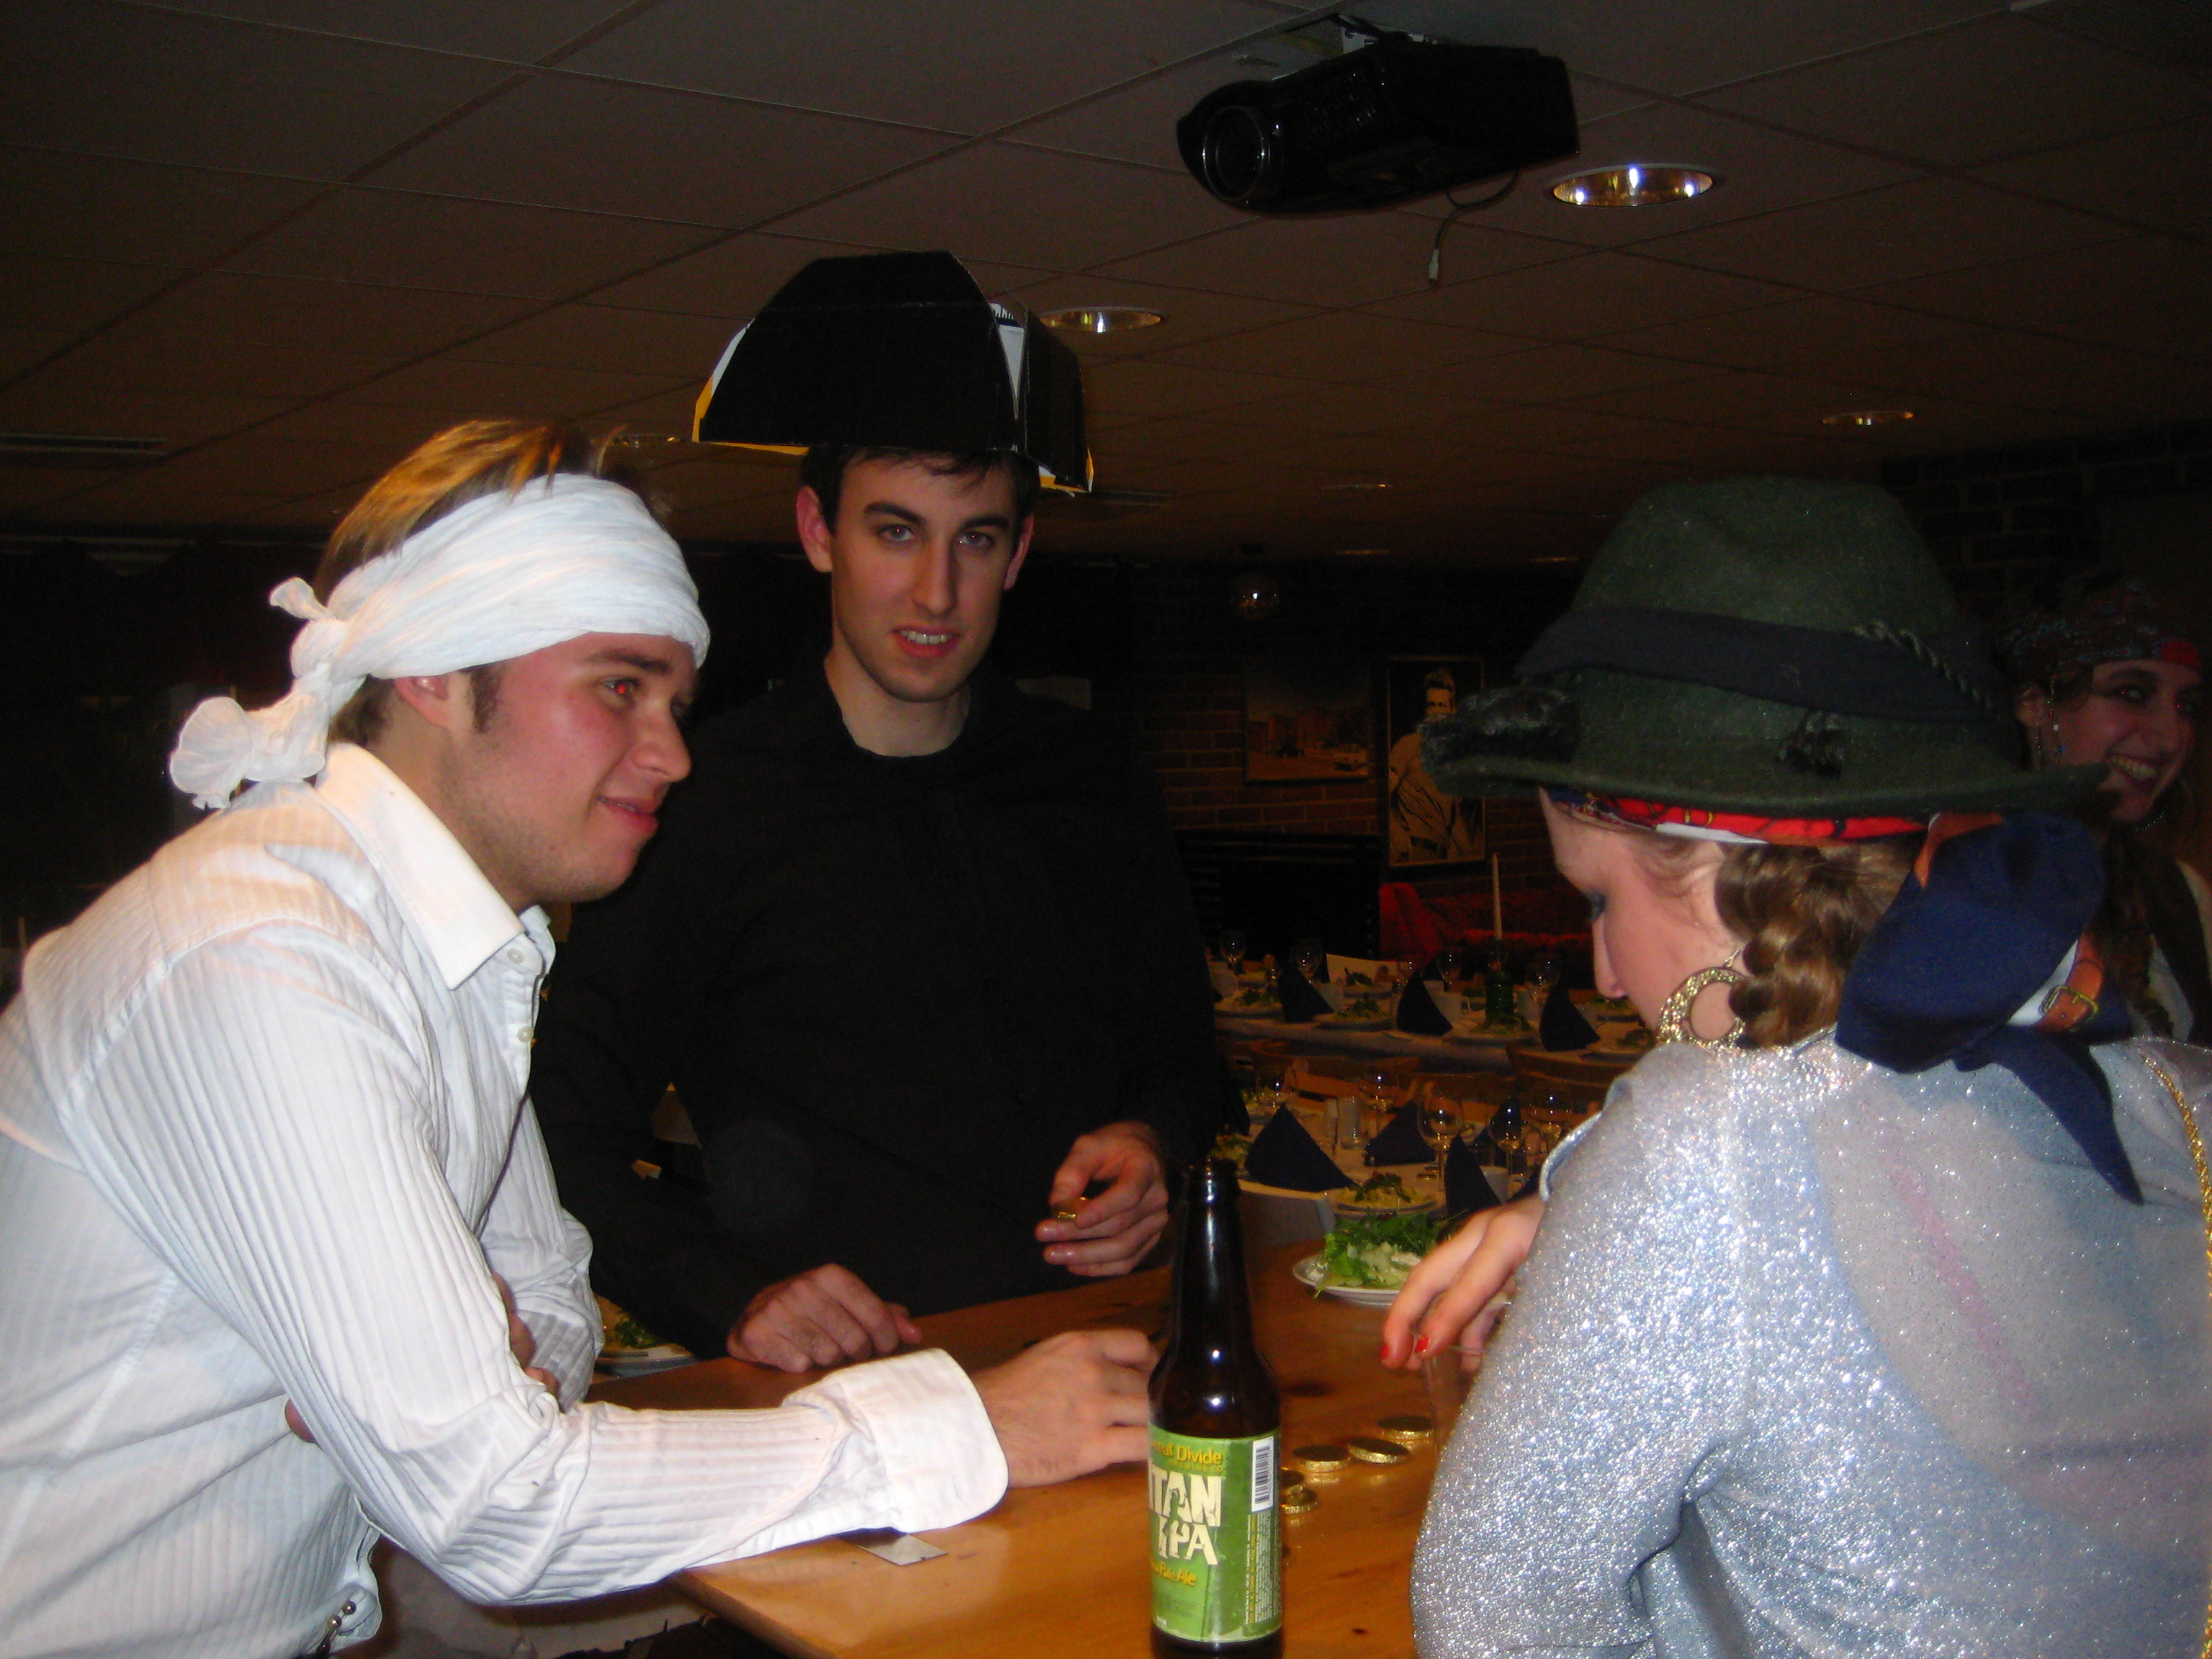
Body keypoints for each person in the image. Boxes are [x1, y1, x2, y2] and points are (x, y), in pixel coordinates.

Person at [0, 420, 1153, 1659]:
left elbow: (550, 1295)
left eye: (676, 701)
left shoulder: (458, 952)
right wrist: (968, 1426)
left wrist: (486, 1374)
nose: (671, 753)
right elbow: (498, 1507)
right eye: (618, 689)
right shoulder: (261, 958)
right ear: (435, 674)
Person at [1390, 477, 2212, 1655]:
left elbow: (1488, 1618)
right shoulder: (2156, 1088)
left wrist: (1627, 1190)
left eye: (1597, 898)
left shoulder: (1703, 1141)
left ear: (1729, 871)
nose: (1604, 972)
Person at [529, 252, 1218, 1372]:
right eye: (895, 532)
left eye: (975, 539)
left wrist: (1154, 1141)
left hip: (1103, 1358)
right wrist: (730, 1298)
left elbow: (1183, 1055)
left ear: (1020, 551)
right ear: (818, 531)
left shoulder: (1095, 778)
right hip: (845, 1403)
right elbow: (560, 1134)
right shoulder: (703, 802)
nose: (937, 593)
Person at [1997, 570, 2209, 1038]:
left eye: (2188, 707)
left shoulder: (2176, 897)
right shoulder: (1959, 888)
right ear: (2035, 704)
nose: (2172, 738)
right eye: (2131, 694)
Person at [1388, 667, 1482, 865]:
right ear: (1425, 710)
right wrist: (1396, 834)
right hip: (1413, 850)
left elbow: (1455, 821)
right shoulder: (1408, 745)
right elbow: (1383, 796)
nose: (1437, 711)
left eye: (1442, 705)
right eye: (1432, 705)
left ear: (1452, 710)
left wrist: (1471, 856)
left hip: (1440, 857)